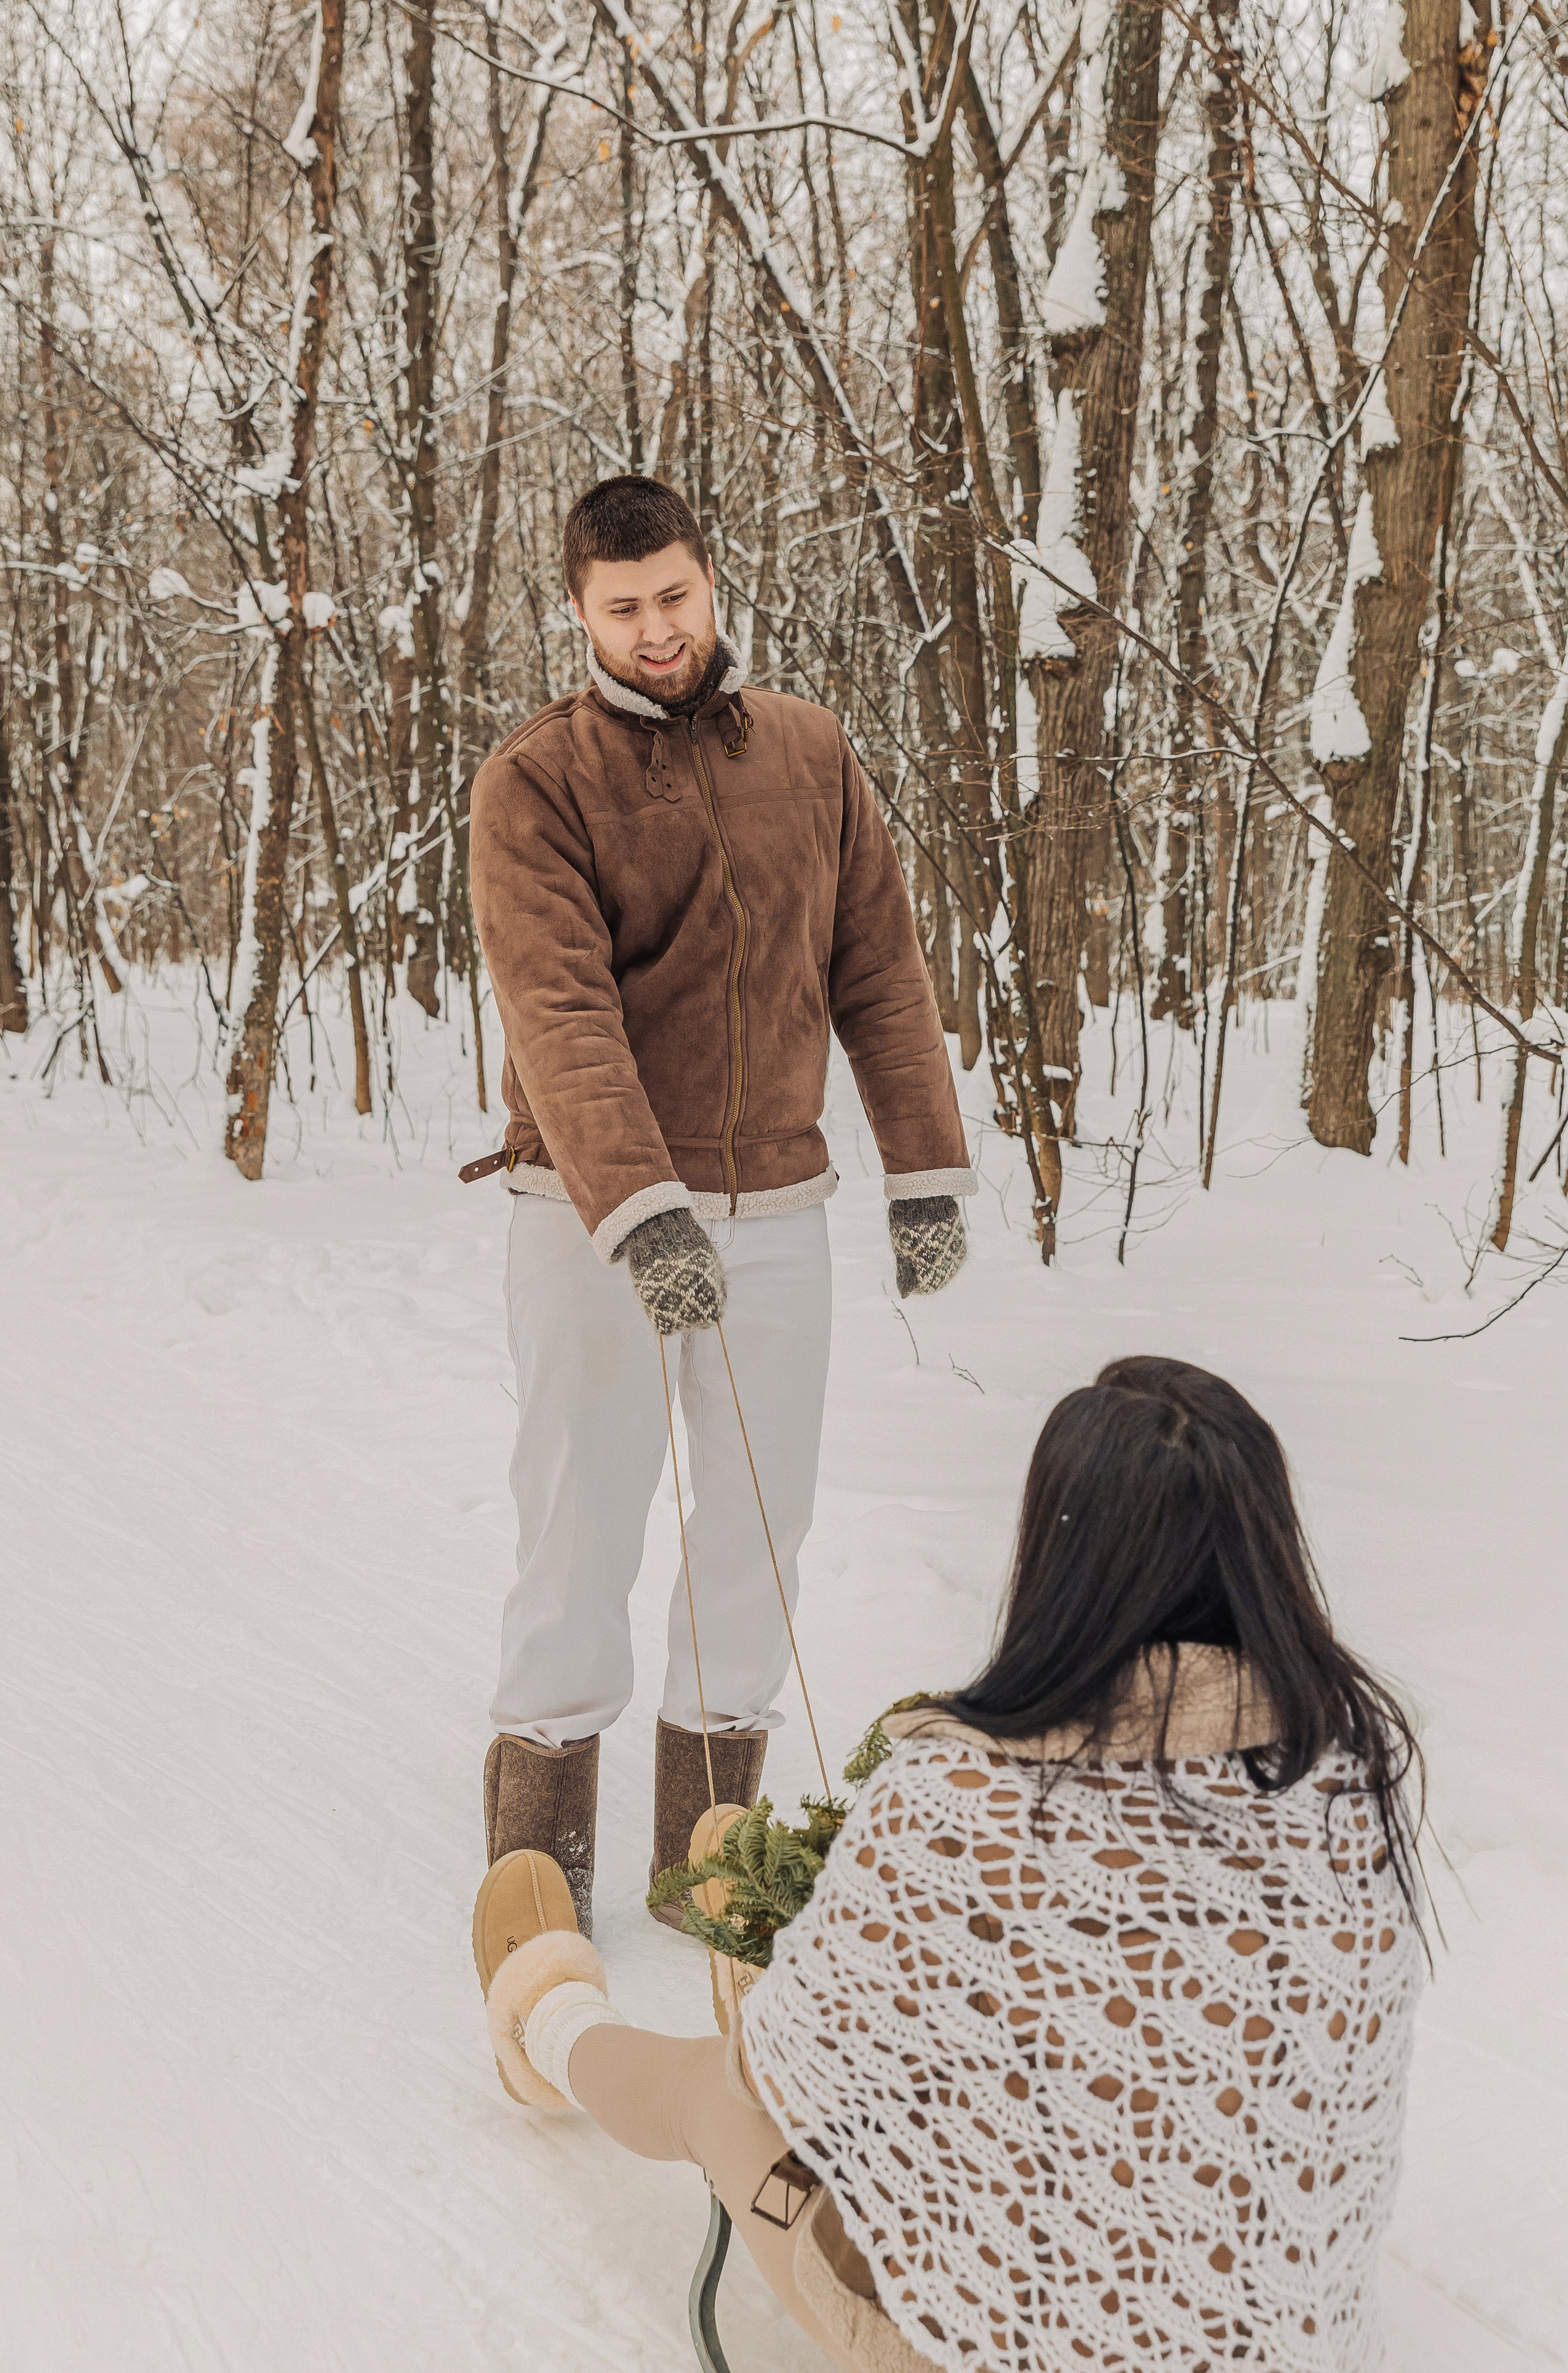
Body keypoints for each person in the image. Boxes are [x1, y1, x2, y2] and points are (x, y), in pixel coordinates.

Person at [474, 1356, 1428, 2373]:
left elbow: (774, 2078)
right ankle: (833, 1982)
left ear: (1059, 1553)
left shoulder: (963, 1795)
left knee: (716, 2092)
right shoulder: (1354, 1781)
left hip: (985, 2347)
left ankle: (546, 2018)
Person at [466, 475, 975, 1935]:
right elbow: (559, 1014)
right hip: (588, 1218)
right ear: (578, 615)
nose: (655, 631)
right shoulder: (537, 781)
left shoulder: (808, 752)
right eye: (621, 609)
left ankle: (709, 1858)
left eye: (674, 597)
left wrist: (923, 1170)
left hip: (776, 1205)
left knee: (762, 1521)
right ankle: (538, 1857)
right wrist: (642, 1211)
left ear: (710, 580)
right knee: (582, 1516)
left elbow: (878, 967)